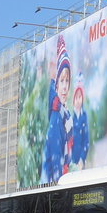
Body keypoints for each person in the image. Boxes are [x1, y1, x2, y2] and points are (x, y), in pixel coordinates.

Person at [42, 38, 74, 183]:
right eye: (61, 80)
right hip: (53, 177)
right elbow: (54, 153)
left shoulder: (66, 114)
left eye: (67, 81)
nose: (65, 86)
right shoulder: (57, 111)